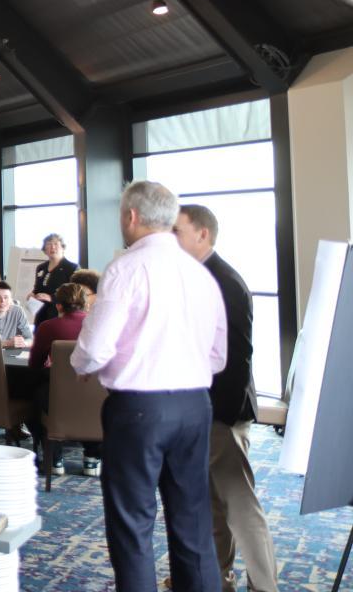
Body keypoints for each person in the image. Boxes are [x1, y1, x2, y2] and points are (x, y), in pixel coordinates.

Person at [71, 181, 226, 591]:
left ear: (132, 217)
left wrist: (83, 364)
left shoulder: (126, 268)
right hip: (195, 406)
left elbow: (95, 347)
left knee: (132, 526)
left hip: (139, 410)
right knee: (193, 521)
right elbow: (218, 355)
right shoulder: (201, 274)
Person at [173, 204, 278, 591]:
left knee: (240, 506)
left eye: (177, 231)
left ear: (202, 234)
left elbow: (237, 357)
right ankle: (216, 577)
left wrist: (223, 417)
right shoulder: (199, 277)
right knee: (212, 504)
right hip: (202, 410)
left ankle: (265, 586)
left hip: (222, 412)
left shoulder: (225, 282)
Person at [25, 283, 99, 476]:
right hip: (95, 393)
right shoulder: (98, 326)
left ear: (59, 306)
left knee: (34, 397)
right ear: (86, 304)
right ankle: (92, 459)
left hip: (58, 394)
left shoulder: (48, 327)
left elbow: (35, 363)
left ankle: (54, 458)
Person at [30, 233, 79, 326]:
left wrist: (51, 298)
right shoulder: (41, 268)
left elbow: (75, 294)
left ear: (63, 248)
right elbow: (37, 288)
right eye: (49, 244)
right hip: (41, 314)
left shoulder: (72, 268)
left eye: (56, 244)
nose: (52, 247)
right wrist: (33, 294)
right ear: (45, 249)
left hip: (60, 315)